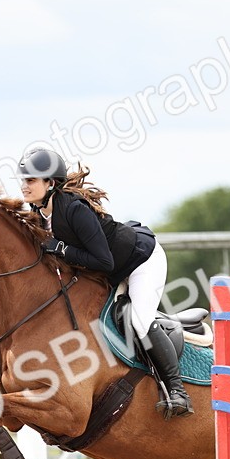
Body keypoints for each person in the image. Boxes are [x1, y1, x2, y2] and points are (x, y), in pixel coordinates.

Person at [17, 147, 192, 418]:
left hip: (140, 261)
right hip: (110, 270)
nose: (24, 186)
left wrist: (61, 248)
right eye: (23, 180)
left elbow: (103, 261)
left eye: (30, 180)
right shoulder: (39, 211)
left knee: (140, 320)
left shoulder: (74, 210)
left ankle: (177, 391)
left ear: (50, 183)